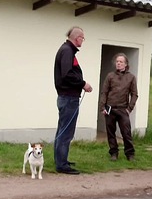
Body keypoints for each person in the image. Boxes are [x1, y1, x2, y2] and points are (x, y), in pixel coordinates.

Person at [53, 26, 93, 175]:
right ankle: (62, 165)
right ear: (77, 38)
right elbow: (67, 74)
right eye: (83, 38)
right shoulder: (67, 51)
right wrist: (83, 84)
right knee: (66, 132)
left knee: (62, 130)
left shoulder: (66, 50)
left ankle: (61, 160)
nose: (83, 40)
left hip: (67, 97)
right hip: (69, 98)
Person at [99, 53, 138, 161]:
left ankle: (130, 154)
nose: (118, 63)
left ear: (126, 64)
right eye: (117, 61)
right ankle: (114, 153)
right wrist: (103, 107)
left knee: (126, 133)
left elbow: (134, 94)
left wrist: (129, 108)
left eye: (121, 62)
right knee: (111, 132)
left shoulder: (131, 77)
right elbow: (104, 92)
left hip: (123, 109)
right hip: (110, 108)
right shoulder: (110, 76)